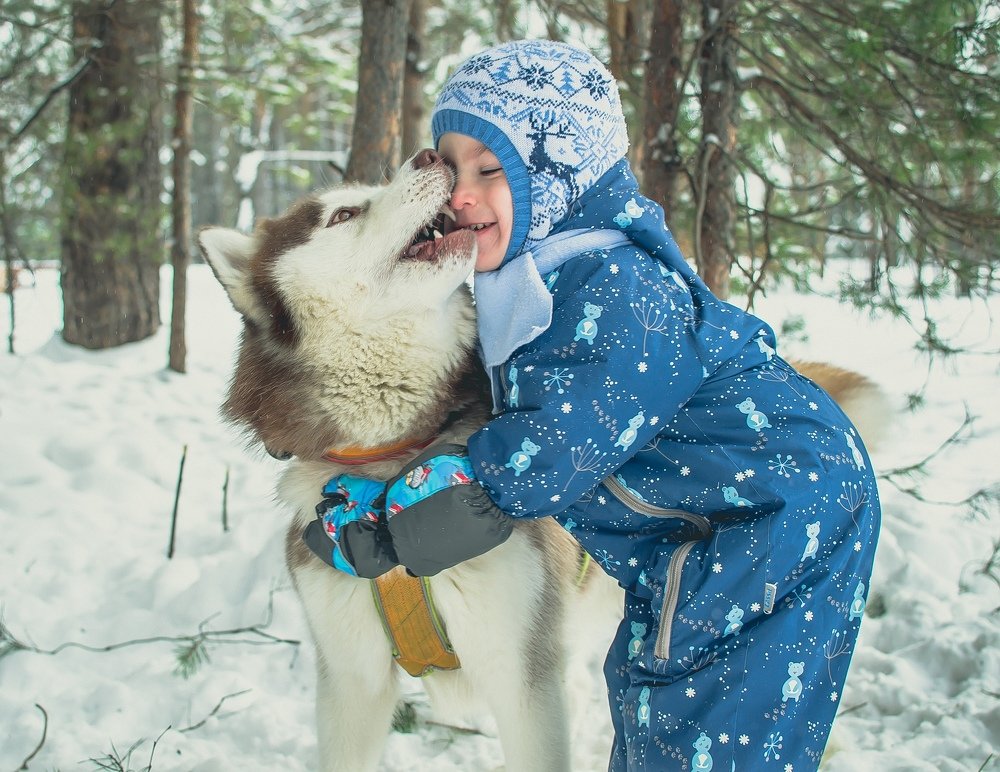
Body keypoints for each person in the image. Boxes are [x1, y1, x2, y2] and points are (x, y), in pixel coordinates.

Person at [307, 39, 881, 771]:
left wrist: (398, 525)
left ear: (558, 181)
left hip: (776, 517)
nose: (460, 193)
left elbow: (554, 444)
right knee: (652, 694)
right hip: (704, 530)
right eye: (453, 169)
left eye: (492, 171)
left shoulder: (611, 286)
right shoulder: (538, 283)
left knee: (706, 726)